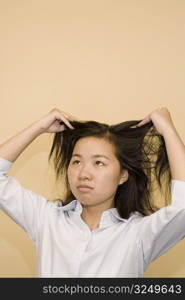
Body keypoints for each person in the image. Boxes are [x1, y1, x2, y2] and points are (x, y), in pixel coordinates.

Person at [0, 107, 185, 278]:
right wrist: (39, 127)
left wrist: (168, 131)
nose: (83, 174)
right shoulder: (46, 219)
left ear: (122, 175)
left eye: (98, 163)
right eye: (76, 162)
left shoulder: (137, 234)